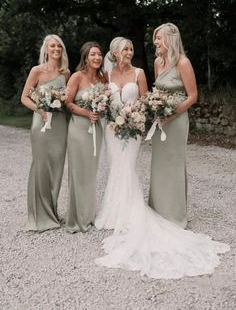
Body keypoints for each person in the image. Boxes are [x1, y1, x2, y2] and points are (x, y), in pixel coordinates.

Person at [94, 36, 229, 279]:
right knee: (118, 166)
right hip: (113, 128)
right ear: (114, 52)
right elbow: (106, 98)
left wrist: (138, 116)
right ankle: (117, 212)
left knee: (135, 166)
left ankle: (142, 212)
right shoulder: (115, 71)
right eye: (126, 49)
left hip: (138, 127)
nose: (130, 52)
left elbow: (147, 99)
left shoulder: (148, 70)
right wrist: (112, 114)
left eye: (131, 49)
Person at [148, 23, 198, 228]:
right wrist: (156, 108)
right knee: (159, 163)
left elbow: (193, 96)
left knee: (174, 163)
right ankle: (158, 210)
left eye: (159, 38)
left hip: (176, 122)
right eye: (155, 38)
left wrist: (172, 113)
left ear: (170, 39)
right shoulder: (158, 62)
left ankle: (175, 213)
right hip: (160, 120)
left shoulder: (183, 63)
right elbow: (157, 92)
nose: (155, 42)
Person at [21, 34, 70, 231]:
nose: (56, 49)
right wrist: (40, 109)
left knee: (57, 168)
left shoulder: (65, 73)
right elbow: (24, 97)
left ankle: (52, 212)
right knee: (41, 166)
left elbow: (67, 99)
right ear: (46, 49)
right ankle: (38, 215)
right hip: (40, 123)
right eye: (52, 46)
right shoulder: (37, 70)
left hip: (59, 124)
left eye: (59, 46)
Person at [65, 42, 106, 233]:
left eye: (99, 54)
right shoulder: (76, 77)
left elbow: (106, 103)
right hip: (79, 128)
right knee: (79, 171)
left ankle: (89, 215)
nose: (97, 58)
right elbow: (68, 102)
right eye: (93, 55)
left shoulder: (102, 78)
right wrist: (86, 113)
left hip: (96, 129)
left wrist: (101, 110)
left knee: (91, 171)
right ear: (85, 58)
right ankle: (77, 218)